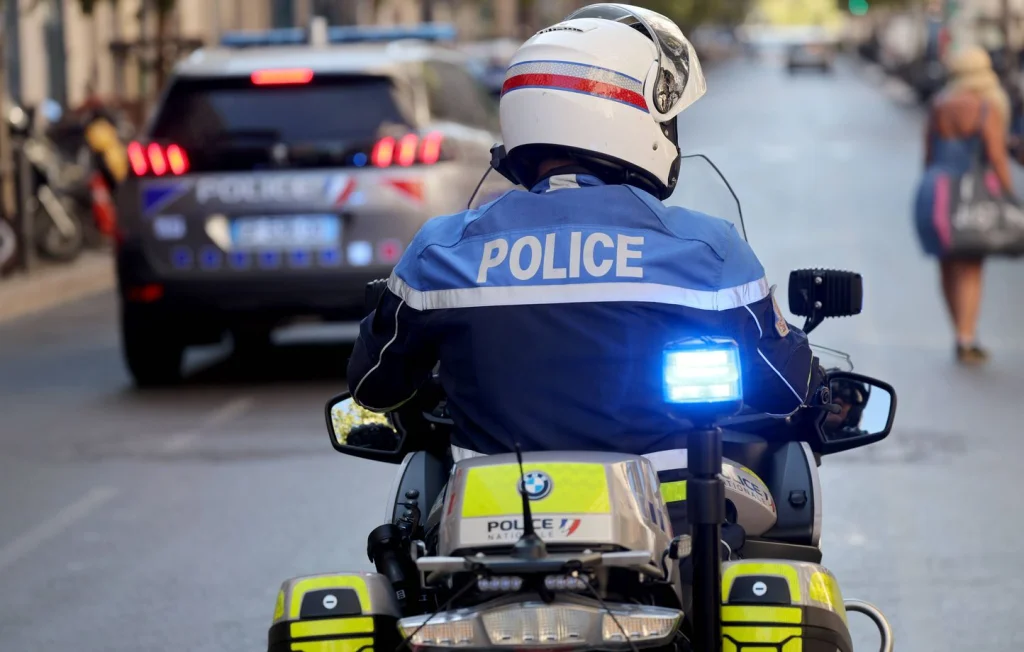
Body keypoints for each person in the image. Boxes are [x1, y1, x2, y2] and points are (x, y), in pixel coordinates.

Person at [347, 5, 819, 473]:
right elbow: (783, 385)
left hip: (484, 526)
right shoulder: (708, 249)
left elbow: (373, 385)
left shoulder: (439, 252)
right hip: (667, 519)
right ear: (632, 118)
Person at [916, 45, 1014, 365]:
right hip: (973, 194)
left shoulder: (939, 105)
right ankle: (966, 337)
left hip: (937, 190)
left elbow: (928, 156)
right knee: (971, 266)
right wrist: (1010, 197)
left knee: (945, 263)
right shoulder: (987, 108)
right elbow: (997, 158)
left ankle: (957, 329)